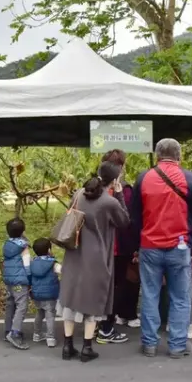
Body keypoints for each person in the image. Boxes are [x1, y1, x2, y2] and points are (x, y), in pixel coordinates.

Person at [131, 138, 192, 359]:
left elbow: (134, 217)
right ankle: (177, 345)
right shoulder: (191, 179)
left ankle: (149, 344)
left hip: (149, 246)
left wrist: (137, 246)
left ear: (157, 156)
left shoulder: (143, 178)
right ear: (179, 156)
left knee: (150, 295)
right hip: (180, 246)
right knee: (180, 297)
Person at [60, 161, 130, 363]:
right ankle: (87, 348)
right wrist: (118, 195)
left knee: (71, 300)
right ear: (115, 180)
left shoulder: (80, 193)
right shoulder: (110, 202)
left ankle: (67, 346)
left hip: (74, 252)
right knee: (92, 301)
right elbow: (124, 222)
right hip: (97, 256)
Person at [101, 149, 141, 330]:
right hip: (120, 244)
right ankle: (120, 316)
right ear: (122, 167)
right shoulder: (124, 191)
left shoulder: (94, 190)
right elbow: (128, 220)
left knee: (108, 283)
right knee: (125, 281)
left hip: (101, 245)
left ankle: (106, 317)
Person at [3, 217, 31, 350]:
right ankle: (15, 333)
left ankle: (8, 330)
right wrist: (30, 278)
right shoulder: (23, 247)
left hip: (9, 279)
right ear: (23, 230)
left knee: (10, 304)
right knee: (22, 306)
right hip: (19, 280)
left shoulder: (7, 244)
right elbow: (27, 265)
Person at [30, 238, 62, 348]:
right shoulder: (52, 264)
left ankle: (36, 334)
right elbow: (62, 270)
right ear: (49, 250)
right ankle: (50, 338)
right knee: (50, 316)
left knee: (39, 313)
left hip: (37, 294)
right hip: (49, 294)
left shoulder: (32, 263)